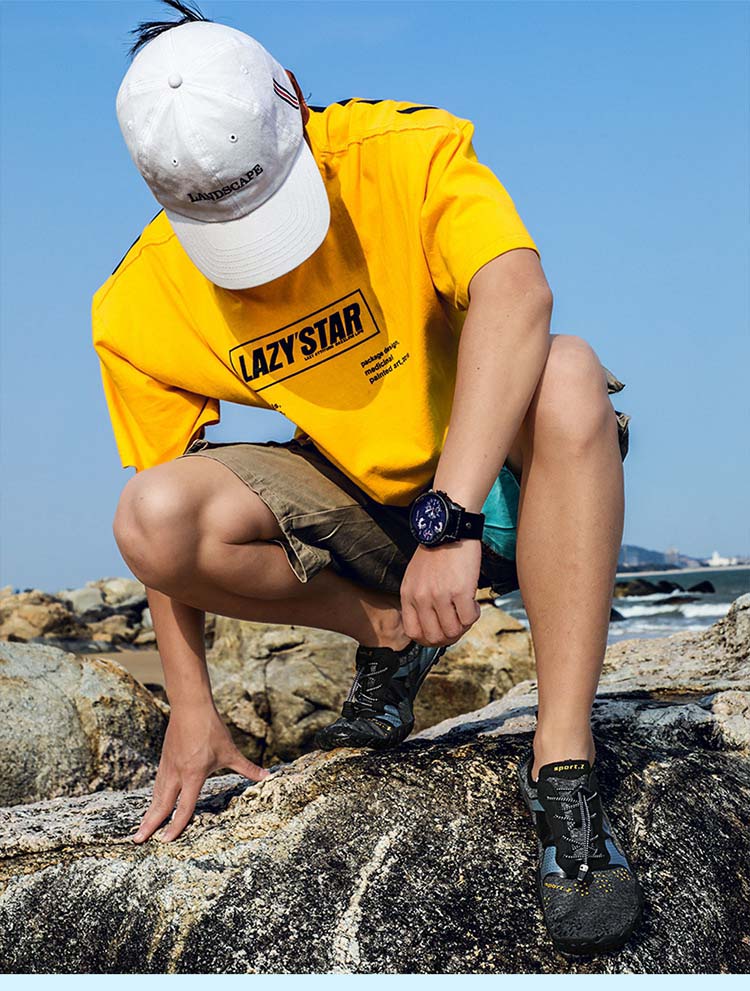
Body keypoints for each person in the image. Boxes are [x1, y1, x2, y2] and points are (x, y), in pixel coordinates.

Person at [93, 0, 643, 955]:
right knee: (152, 514)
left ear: (293, 95)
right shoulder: (139, 299)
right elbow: (162, 505)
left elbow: (520, 293)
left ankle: (562, 760)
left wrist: (449, 517)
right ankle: (388, 634)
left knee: (570, 371)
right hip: (366, 518)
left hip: (505, 488)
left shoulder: (400, 149)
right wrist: (190, 704)